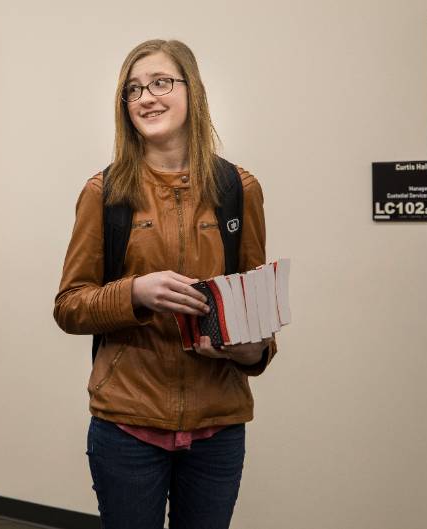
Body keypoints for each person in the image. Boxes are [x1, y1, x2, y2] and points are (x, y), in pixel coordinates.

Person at [53, 39, 277, 529]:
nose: (146, 98)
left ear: (191, 90)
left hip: (219, 422)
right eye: (133, 90)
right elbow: (69, 306)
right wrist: (134, 293)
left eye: (160, 83)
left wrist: (250, 351)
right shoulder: (104, 192)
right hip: (127, 423)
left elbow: (257, 314)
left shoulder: (240, 190)